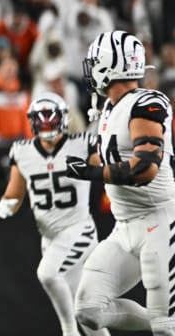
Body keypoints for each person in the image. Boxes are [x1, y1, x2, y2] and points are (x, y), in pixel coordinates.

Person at [66, 31, 175, 335]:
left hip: (160, 223)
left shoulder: (147, 102)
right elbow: (108, 158)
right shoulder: (110, 108)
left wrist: (90, 173)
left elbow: (144, 168)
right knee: (89, 309)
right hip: (124, 225)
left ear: (109, 65)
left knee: (164, 327)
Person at [0, 92, 107, 336]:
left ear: (63, 119)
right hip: (50, 238)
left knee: (47, 274)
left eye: (51, 119)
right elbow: (14, 195)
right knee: (85, 312)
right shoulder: (22, 151)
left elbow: (108, 171)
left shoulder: (82, 142)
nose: (46, 125)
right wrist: (6, 205)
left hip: (79, 229)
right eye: (41, 120)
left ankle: (68, 333)